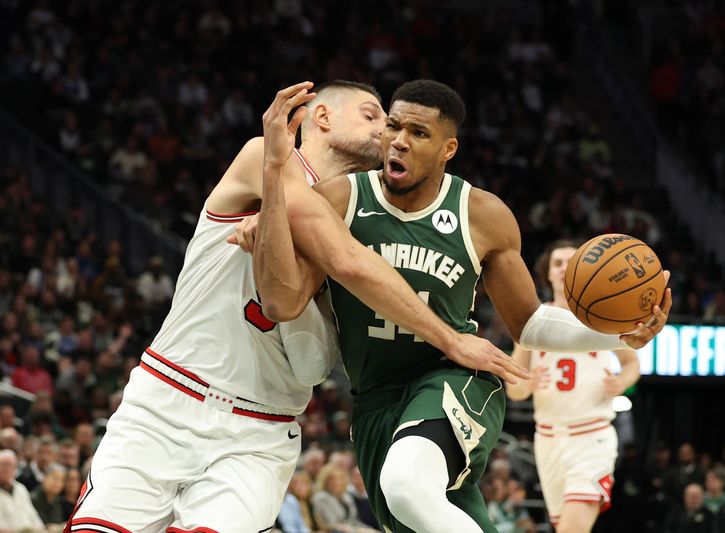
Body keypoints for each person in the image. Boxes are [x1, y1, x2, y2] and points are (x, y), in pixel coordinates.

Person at [66, 80, 522, 533]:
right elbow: (348, 263)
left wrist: (274, 235)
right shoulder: (266, 156)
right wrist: (451, 339)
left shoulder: (354, 214)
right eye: (372, 115)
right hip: (172, 396)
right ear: (321, 117)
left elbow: (303, 336)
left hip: (262, 427)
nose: (388, 129)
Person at [237, 79, 671, 532]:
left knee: (406, 485)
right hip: (375, 397)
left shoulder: (482, 214)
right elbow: (285, 299)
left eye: (418, 133)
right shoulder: (339, 199)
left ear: (448, 149)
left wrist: (614, 332)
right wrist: (270, 232)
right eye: (393, 126)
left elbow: (531, 324)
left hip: (454, 375)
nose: (399, 141)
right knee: (426, 513)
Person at [505, 239, 642, 532]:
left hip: (591, 436)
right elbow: (513, 390)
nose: (564, 268)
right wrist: (527, 384)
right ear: (548, 273)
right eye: (557, 263)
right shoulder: (532, 321)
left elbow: (632, 364)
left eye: (570, 261)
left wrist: (621, 383)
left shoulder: (602, 315)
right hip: (548, 440)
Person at [0, 449, 45, 531]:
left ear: (15, 469)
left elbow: (34, 517)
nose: (6, 469)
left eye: (10, 465)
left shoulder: (21, 489)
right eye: (3, 465)